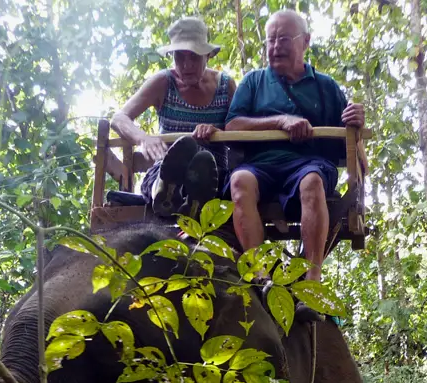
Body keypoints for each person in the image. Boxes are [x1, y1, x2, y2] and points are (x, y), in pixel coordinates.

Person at [224, 10, 365, 282]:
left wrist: (355, 120)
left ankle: (312, 278)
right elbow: (232, 125)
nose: (276, 47)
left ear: (305, 42)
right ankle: (258, 272)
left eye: (284, 39)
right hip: (261, 165)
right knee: (239, 180)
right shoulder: (254, 81)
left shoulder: (325, 86)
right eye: (271, 40)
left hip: (309, 165)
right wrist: (281, 122)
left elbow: (348, 134)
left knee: (312, 182)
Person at [111, 17, 238, 217]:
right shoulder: (164, 82)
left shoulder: (225, 85)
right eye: (179, 57)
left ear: (208, 55)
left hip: (214, 174)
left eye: (194, 57)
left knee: (206, 166)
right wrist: (143, 138)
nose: (186, 65)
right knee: (164, 170)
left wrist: (217, 132)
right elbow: (119, 118)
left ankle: (195, 199)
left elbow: (239, 131)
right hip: (167, 167)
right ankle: (164, 193)